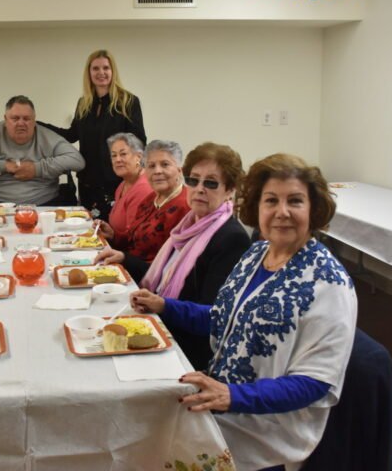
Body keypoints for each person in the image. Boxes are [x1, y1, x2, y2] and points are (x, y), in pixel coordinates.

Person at [130, 153, 357, 470]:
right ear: (257, 208)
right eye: (270, 201)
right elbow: (222, 319)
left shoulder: (328, 284)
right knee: (135, 418)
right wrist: (166, 306)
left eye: (295, 201)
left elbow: (315, 382)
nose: (281, 212)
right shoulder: (256, 254)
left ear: (314, 209)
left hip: (266, 428)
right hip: (222, 398)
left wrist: (233, 396)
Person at [97, 142, 251, 370]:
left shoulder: (231, 238)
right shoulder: (189, 224)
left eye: (210, 183)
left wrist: (163, 306)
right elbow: (161, 278)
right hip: (161, 323)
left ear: (229, 190)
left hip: (187, 348)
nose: (199, 188)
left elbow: (213, 318)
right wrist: (124, 258)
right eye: (193, 180)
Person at [38, 50, 145, 218]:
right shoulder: (84, 103)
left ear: (112, 71)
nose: (101, 73)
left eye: (106, 68)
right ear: (89, 72)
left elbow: (139, 142)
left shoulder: (128, 102)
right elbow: (72, 135)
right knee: (89, 231)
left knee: (113, 231)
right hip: (88, 182)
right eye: (95, 68)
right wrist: (39, 126)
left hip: (116, 181)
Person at [0, 95, 85, 206]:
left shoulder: (48, 136)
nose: (21, 123)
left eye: (26, 118)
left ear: (34, 120)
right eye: (15, 118)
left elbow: (77, 161)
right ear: (5, 119)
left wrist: (37, 169)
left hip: (45, 205)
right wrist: (4, 166)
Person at [100, 139, 190, 263]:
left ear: (180, 170)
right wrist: (114, 235)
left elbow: (172, 263)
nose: (157, 171)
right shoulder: (150, 198)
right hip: (131, 267)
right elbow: (135, 239)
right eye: (151, 166)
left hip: (153, 278)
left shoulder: (186, 206)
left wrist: (126, 260)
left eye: (165, 164)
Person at [105, 132, 153, 244]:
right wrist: (110, 232)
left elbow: (134, 239)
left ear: (139, 157)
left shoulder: (142, 188)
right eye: (114, 155)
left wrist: (113, 236)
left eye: (123, 154)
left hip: (128, 255)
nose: (117, 160)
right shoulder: (124, 184)